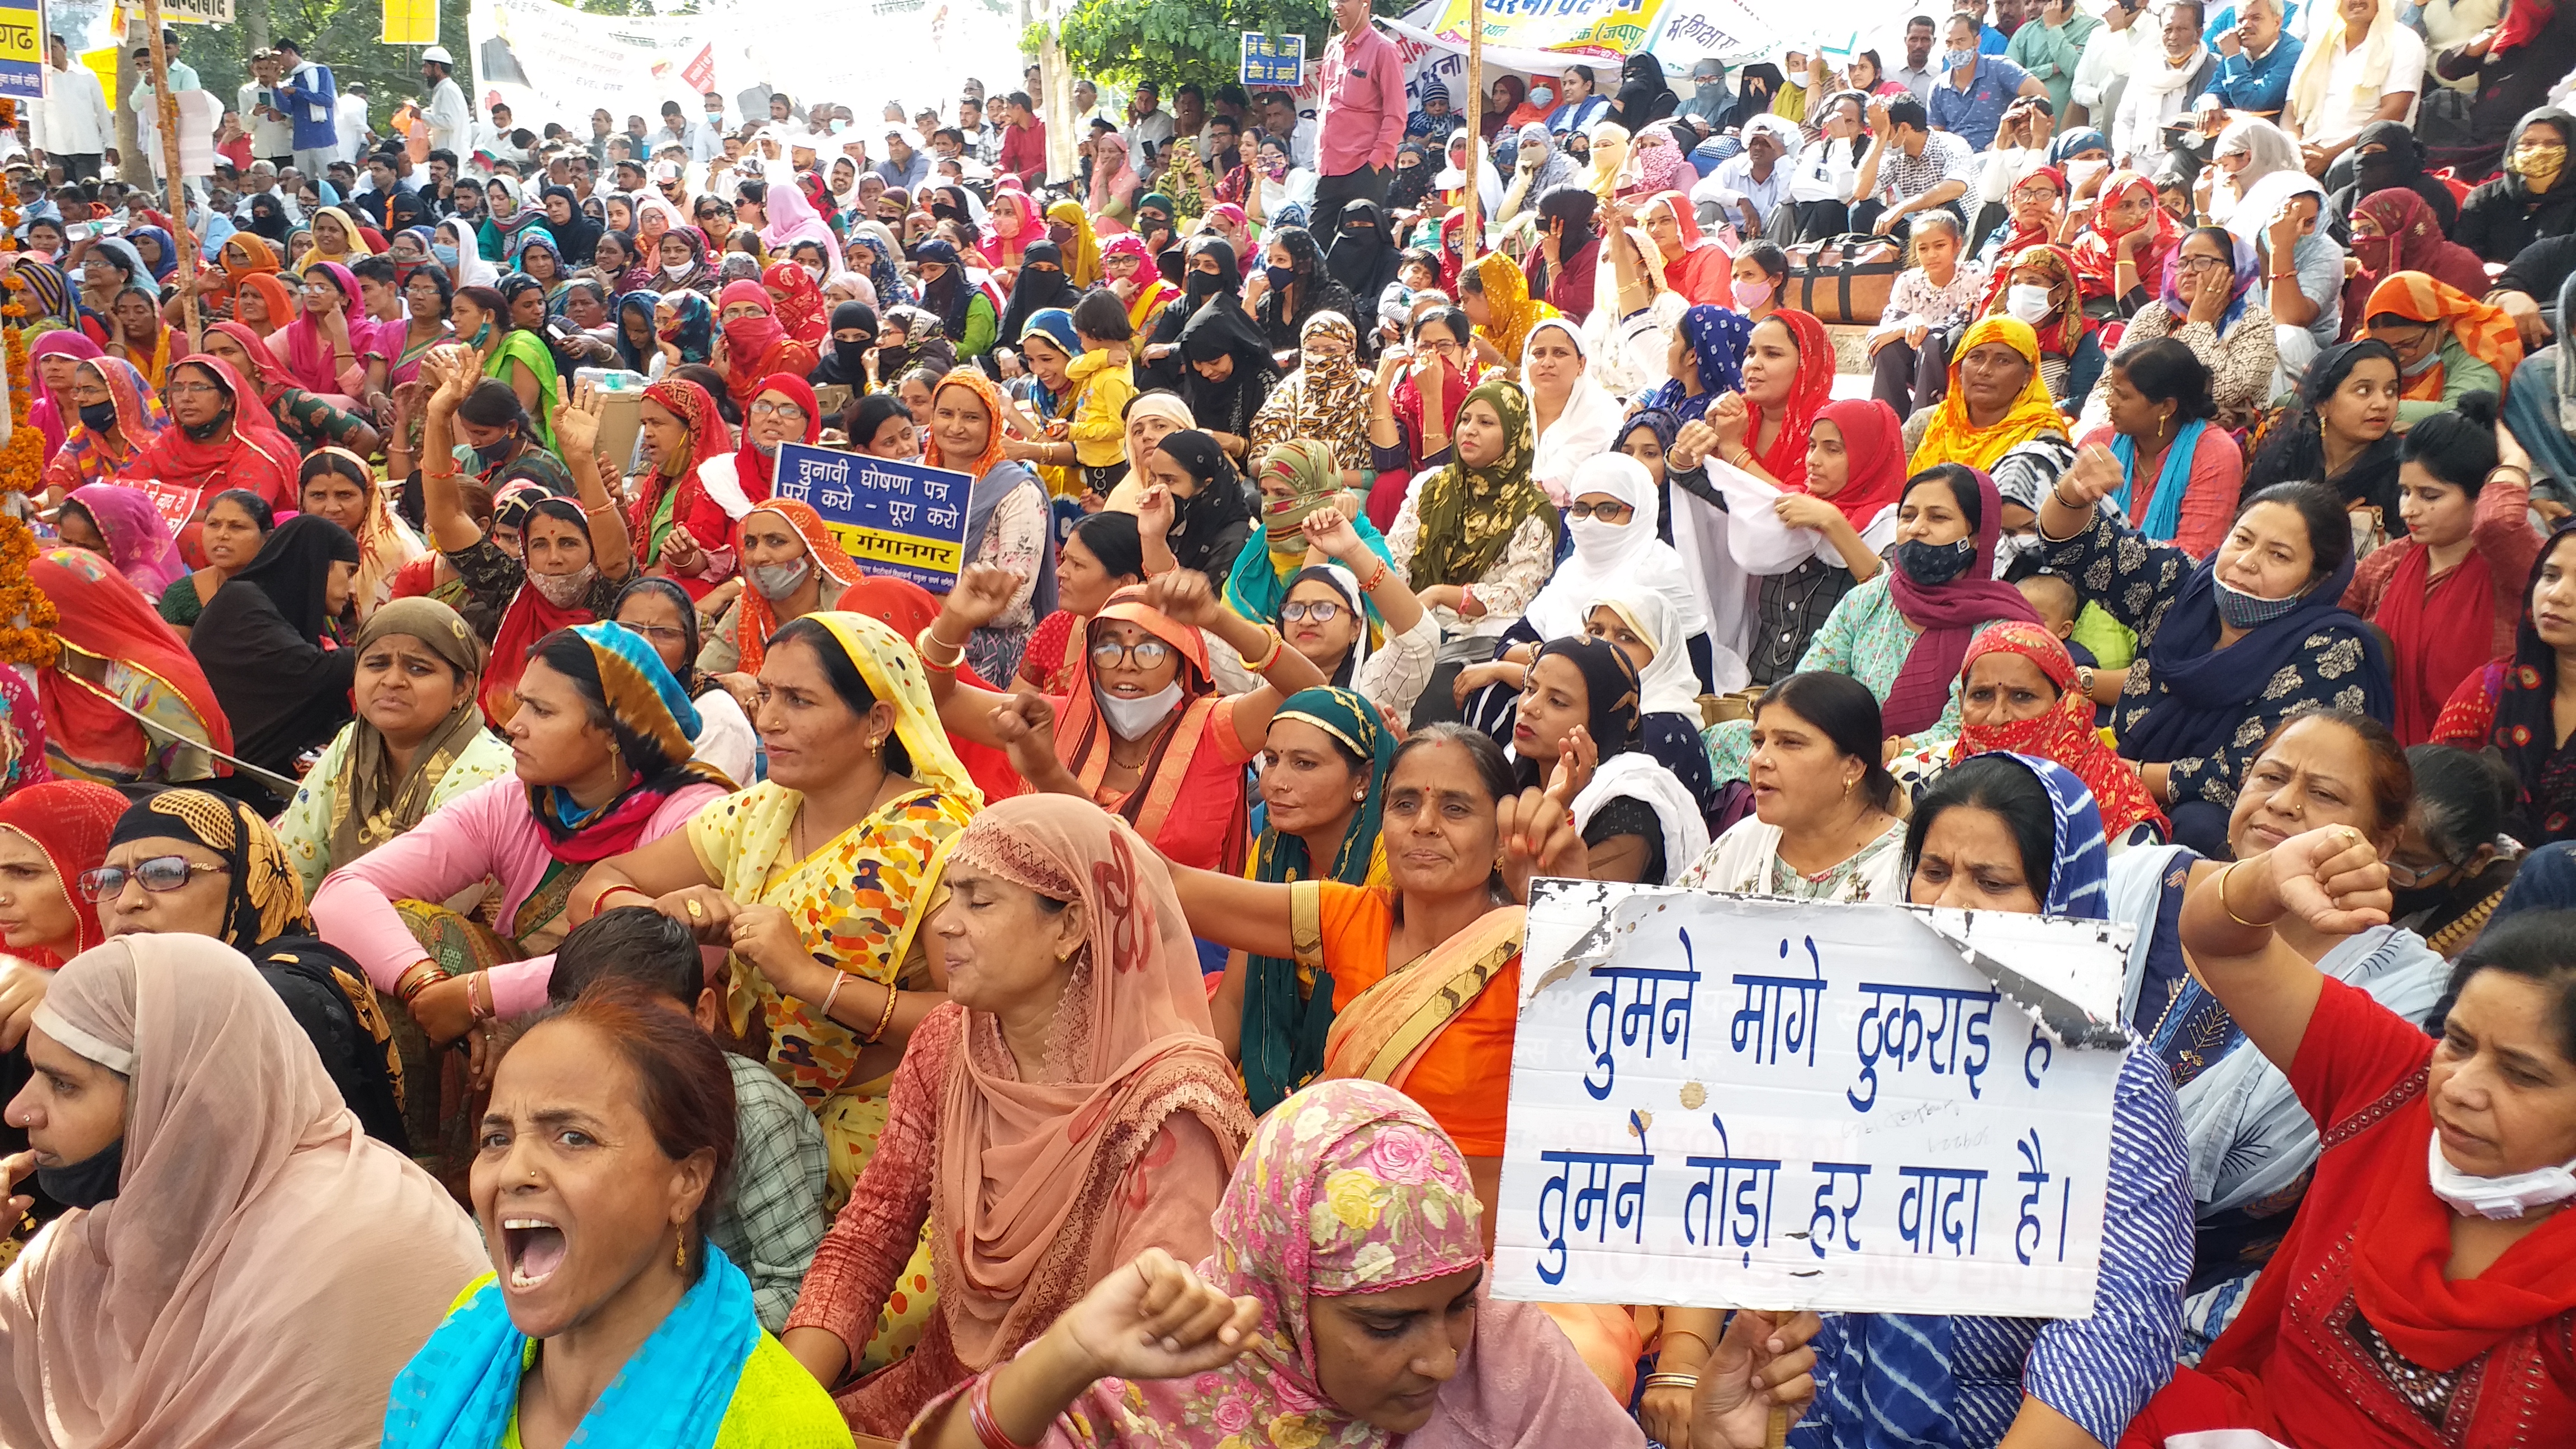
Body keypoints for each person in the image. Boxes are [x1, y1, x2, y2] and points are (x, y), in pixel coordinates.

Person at [1726, 752, 2192, 1449]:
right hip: (1801, 1400)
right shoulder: (1849, 1036)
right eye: (1935, 872)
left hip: (1991, 1424)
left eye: (1993, 881)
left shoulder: (2114, 1083)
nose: (1948, 905)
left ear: (2064, 902)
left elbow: (2113, 1328)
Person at [774, 794, 1253, 1436]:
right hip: (932, 1404)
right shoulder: (950, 1043)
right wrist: (784, 1404)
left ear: (1070, 927)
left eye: (979, 900)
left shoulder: (1170, 1109)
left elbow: (1153, 1370)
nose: (944, 924)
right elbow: (871, 1233)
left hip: (1071, 1427)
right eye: (950, 896)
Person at [909, 1079, 1677, 1449]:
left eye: (1460, 1302)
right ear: (1279, 1295)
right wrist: (1071, 1353)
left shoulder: (1512, 1367)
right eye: (1387, 1324)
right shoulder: (1155, 1382)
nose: (1443, 1358)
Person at [2119, 825, 2576, 1446]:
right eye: (2460, 1043)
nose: (2463, 1087)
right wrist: (2271, 875)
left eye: (2522, 1075)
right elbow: (2223, 945)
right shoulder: (2396, 1084)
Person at [0, 934, 486, 1449]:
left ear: (180, 1095)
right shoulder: (94, 1242)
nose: (18, 1111)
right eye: (34, 1073)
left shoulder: (352, 1241)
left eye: (63, 1084)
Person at [380, 977, 851, 1447]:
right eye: (497, 1139)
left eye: (573, 1137)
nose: (511, 1173)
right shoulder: (472, 1326)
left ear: (687, 1181)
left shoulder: (784, 1429)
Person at [2040, 448, 2393, 854]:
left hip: (2216, 824)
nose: (2246, 562)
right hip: (2118, 775)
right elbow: (2078, 548)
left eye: (2278, 555)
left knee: (2198, 826)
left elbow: (2246, 775)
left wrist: (2117, 772)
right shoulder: (2186, 588)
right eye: (2242, 540)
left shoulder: (2330, 651)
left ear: (2317, 581)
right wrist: (2072, 492)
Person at [932, 566, 1325, 874]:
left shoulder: (1215, 729)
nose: (1127, 666)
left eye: (1150, 649)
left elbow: (1311, 695)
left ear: (1180, 667)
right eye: (1109, 648)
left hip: (1183, 953)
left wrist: (1216, 619)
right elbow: (941, 699)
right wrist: (954, 620)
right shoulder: (1052, 721)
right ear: (1090, 661)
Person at [98, 789, 409, 1148]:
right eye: (110, 880)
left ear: (250, 879)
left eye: (165, 873)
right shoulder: (140, 991)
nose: (126, 902)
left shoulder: (292, 992)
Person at [273, 596, 513, 915]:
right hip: (335, 928)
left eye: (418, 668)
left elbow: (434, 908)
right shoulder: (352, 744)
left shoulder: (488, 772)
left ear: (463, 687)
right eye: (377, 664)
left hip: (436, 946)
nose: (393, 681)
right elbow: (296, 862)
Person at [2340, 394, 2537, 744]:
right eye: (2405, 492)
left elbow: (2497, 525)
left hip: (2470, 774)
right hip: (2377, 758)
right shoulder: (2388, 563)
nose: (2408, 511)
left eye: (2430, 496)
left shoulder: (2512, 572)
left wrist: (2514, 463)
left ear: (2482, 494)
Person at [1680, 670, 1909, 898]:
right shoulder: (1747, 840)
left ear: (1853, 767)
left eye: (1790, 743)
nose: (1759, 760)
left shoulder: (1905, 870)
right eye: (1759, 742)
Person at [1730, 397, 1910, 687]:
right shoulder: (1796, 503)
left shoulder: (1893, 527)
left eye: (1833, 449)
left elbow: (1891, 600)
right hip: (1755, 685)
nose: (1812, 460)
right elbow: (1716, 492)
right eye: (1812, 446)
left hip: (1829, 701)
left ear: (1870, 457)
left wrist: (1834, 523)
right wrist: (1685, 457)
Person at [186, 514, 361, 800]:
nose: (352, 590)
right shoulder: (241, 603)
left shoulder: (279, 612)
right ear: (317, 564)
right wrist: (386, 646)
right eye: (349, 572)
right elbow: (311, 674)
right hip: (220, 792)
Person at [1947, 621, 2169, 842]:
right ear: (1961, 702)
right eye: (1981, 695)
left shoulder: (2121, 813)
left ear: (2066, 706)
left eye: (2022, 696)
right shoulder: (1935, 775)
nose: (1997, 717)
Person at [1386, 379, 1560, 659]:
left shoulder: (1531, 510)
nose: (1469, 430)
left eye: (1486, 423)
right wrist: (1406, 613)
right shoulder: (1433, 488)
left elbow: (1516, 594)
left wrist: (1441, 595)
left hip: (1475, 636)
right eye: (1465, 419)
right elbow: (1397, 556)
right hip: (1408, 620)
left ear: (1514, 435)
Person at [27, 548, 229, 788]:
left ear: (61, 618)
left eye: (22, 614)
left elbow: (194, 786)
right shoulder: (43, 670)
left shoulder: (152, 688)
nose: (11, 627)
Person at [920, 368, 1054, 682]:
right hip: (908, 627)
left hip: (984, 650)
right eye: (946, 414)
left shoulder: (1017, 492)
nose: (955, 427)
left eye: (971, 417)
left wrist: (936, 607)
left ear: (993, 423)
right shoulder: (912, 478)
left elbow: (1013, 603)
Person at [1901, 316, 2078, 520]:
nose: (1985, 371)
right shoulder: (1927, 423)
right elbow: (1890, 489)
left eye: (2003, 361)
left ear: (2027, 375)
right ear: (1959, 369)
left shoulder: (2042, 435)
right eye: (1976, 357)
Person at [2078, 337, 2244, 555]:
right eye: (2112, 391)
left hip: (2173, 583)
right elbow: (2066, 525)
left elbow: (2193, 553)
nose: (2110, 401)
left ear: (2166, 407)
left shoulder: (2214, 454)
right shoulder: (2100, 443)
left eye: (2123, 396)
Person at [2242, 337, 2405, 537]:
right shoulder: (2287, 458)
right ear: (2322, 404)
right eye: (2364, 391)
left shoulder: (2403, 470)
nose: (2382, 403)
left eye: (2391, 391)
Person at [609, 579, 759, 787]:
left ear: (689, 649)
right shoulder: (596, 695)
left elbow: (700, 811)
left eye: (664, 633)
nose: (645, 644)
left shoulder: (716, 719)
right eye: (630, 630)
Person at [2361, 272, 2526, 428]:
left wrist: (2367, 409)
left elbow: (2463, 415)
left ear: (2443, 324)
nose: (2398, 358)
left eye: (2408, 344)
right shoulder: (2365, 345)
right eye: (2385, 348)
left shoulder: (2482, 343)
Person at [1868, 211, 1987, 417]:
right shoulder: (1908, 280)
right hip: (1913, 354)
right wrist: (1909, 323)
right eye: (1923, 248)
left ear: (1957, 245)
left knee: (1930, 343)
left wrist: (1922, 328)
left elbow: (1964, 324)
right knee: (1885, 347)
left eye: (1940, 246)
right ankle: (1886, 418)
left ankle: (1922, 417)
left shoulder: (1974, 278)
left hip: (1953, 353)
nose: (1931, 254)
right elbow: (1890, 325)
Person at [299, 447, 425, 621]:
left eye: (345, 495)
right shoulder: (302, 542)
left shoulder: (388, 549)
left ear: (368, 497)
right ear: (303, 499)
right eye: (318, 496)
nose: (332, 508)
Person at [37, 358, 165, 501]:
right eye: (78, 391)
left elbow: (124, 499)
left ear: (119, 395)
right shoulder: (83, 438)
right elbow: (60, 476)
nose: (80, 398)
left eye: (90, 391)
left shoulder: (151, 446)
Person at [2069, 171, 2182, 319]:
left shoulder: (2169, 249)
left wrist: (2125, 247)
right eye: (2125, 206)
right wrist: (2065, 236)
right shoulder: (2087, 249)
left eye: (2145, 204)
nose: (2138, 213)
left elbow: (2140, 318)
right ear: (2104, 212)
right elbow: (2056, 302)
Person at [55, 484, 181, 598]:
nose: (73, 553)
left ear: (120, 548)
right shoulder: (56, 559)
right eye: (66, 540)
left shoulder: (141, 586)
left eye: (89, 547)